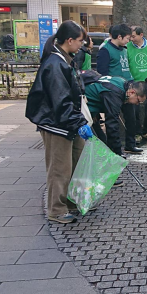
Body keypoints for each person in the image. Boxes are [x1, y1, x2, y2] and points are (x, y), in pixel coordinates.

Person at [25, 21, 92, 224]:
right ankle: (56, 209)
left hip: (66, 121)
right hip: (56, 124)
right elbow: (60, 100)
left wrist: (78, 121)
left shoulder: (64, 59)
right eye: (80, 41)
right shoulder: (55, 64)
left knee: (74, 163)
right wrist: (78, 122)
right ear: (69, 40)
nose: (82, 44)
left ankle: (70, 202)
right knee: (60, 168)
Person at [97, 24, 143, 154]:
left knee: (132, 118)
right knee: (113, 120)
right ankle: (115, 149)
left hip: (128, 87)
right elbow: (102, 74)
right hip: (113, 91)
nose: (129, 41)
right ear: (119, 36)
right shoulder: (105, 50)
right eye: (127, 38)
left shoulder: (124, 49)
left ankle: (130, 144)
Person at [84, 75, 147, 157]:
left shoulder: (121, 82)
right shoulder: (114, 94)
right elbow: (112, 123)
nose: (137, 104)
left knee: (101, 141)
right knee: (97, 143)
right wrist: (118, 152)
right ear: (132, 92)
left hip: (89, 107)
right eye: (138, 101)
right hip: (82, 108)